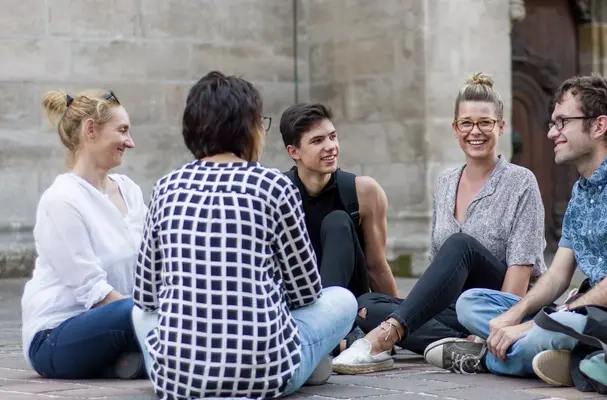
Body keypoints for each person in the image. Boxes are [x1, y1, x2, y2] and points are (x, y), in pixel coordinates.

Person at [426, 74, 607, 388]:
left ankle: (485, 357)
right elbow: (556, 277)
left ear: (598, 126)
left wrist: (531, 326)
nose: (553, 132)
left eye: (562, 121)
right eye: (554, 123)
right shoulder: (581, 191)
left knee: (558, 324)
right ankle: (561, 357)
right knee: (470, 304)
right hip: (594, 310)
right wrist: (514, 315)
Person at [131, 71, 357, 399]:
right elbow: (306, 293)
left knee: (139, 313)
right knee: (342, 299)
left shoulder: (166, 187)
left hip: (179, 380)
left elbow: (145, 296)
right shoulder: (274, 185)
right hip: (265, 375)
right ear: (248, 127)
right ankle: (309, 362)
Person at [331, 72, 548, 374]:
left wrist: (498, 323)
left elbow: (520, 274)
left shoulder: (521, 182)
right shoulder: (446, 182)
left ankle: (385, 338)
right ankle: (463, 345)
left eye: (485, 122)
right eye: (466, 123)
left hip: (503, 307)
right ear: (455, 129)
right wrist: (417, 310)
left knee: (461, 245)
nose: (476, 131)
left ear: (500, 126)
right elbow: (439, 270)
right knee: (367, 304)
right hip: (456, 311)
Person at [21, 89, 146, 379]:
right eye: (123, 130)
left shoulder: (130, 190)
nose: (130, 142)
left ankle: (132, 362)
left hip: (123, 320)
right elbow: (95, 293)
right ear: (91, 130)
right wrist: (161, 316)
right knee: (139, 314)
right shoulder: (62, 200)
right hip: (56, 336)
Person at [278, 103, 400, 353]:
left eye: (333, 136)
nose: (331, 146)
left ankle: (333, 337)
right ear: (294, 151)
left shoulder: (363, 192)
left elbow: (376, 267)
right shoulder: (278, 194)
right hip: (300, 307)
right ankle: (329, 338)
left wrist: (398, 319)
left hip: (351, 307)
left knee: (337, 220)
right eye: (317, 140)